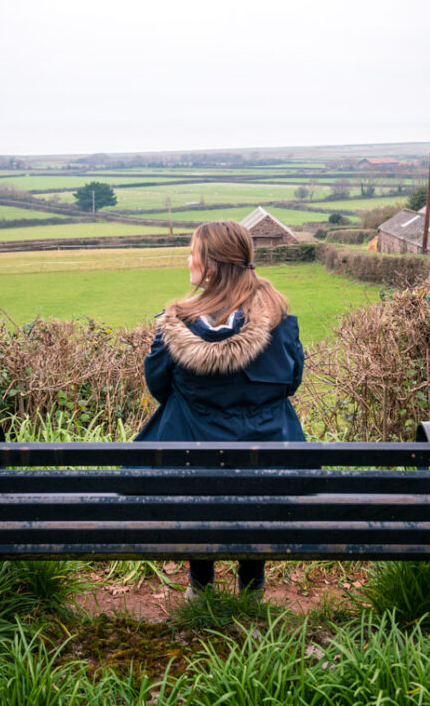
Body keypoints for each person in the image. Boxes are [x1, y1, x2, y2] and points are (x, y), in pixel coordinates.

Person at [135, 219, 306, 598]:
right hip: (269, 476)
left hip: (191, 473)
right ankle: (252, 586)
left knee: (191, 472)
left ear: (210, 266)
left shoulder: (176, 325)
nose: (188, 258)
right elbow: (292, 384)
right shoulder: (278, 321)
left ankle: (200, 585)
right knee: (257, 482)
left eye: (193, 252)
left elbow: (158, 387)